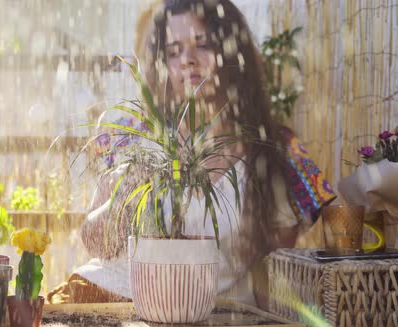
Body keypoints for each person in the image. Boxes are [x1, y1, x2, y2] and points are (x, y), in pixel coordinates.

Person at [48, 0, 335, 307]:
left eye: (203, 45)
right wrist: (128, 188)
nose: (187, 60)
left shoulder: (272, 154)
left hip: (206, 316)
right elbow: (95, 243)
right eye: (173, 52)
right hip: (105, 304)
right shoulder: (139, 135)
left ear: (232, 52)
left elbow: (273, 278)